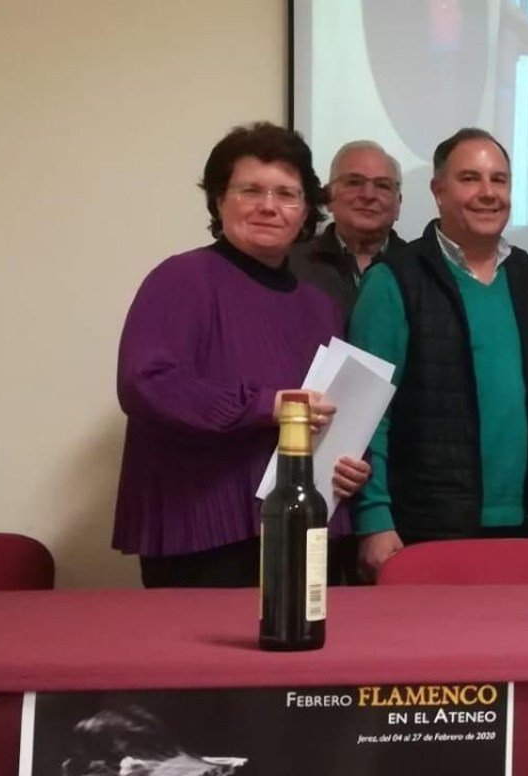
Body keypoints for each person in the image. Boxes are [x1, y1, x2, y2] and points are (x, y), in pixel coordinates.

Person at [113, 122, 370, 588]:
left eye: (287, 194)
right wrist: (267, 406)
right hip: (202, 531)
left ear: (306, 208)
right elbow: (146, 383)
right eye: (251, 190)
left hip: (301, 525)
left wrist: (347, 463)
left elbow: (326, 412)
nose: (269, 206)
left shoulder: (319, 306)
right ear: (218, 200)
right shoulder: (182, 278)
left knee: (309, 655)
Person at [349, 128, 528, 577]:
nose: (488, 193)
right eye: (470, 179)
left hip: (521, 523)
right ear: (438, 191)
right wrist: (374, 518)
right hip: (424, 524)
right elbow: (363, 412)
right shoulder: (393, 279)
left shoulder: (526, 274)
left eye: (500, 179)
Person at [289, 140, 406, 326]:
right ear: (328, 197)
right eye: (354, 182)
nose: (368, 195)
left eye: (383, 186)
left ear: (398, 204)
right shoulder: (290, 264)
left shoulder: (421, 269)